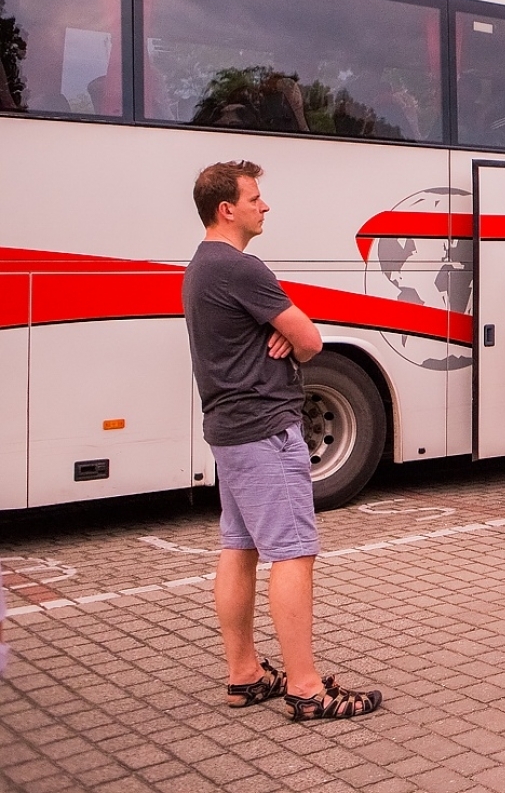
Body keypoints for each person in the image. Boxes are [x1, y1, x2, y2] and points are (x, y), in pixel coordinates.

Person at [181, 161, 382, 720]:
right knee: (293, 552)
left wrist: (279, 334)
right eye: (254, 198)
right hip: (266, 430)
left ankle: (244, 674)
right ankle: (305, 688)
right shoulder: (241, 268)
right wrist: (288, 336)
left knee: (239, 548)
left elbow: (282, 336)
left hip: (229, 430)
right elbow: (313, 340)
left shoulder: (199, 267)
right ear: (227, 209)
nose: (264, 206)